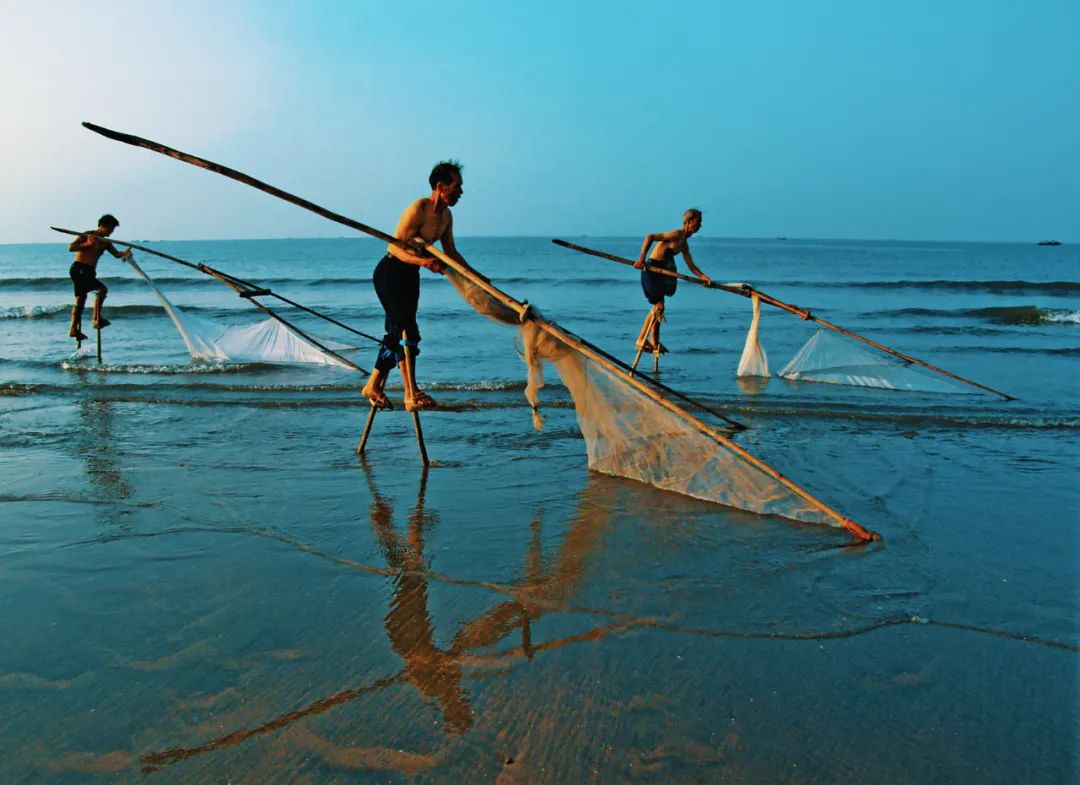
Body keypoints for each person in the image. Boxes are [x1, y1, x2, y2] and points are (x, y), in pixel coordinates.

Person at [361, 161, 473, 411]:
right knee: (405, 330)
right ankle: (410, 393)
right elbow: (395, 247)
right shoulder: (418, 210)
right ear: (440, 186)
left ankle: (373, 385)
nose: (461, 192)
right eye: (457, 186)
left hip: (411, 275)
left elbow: (451, 252)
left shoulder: (446, 216)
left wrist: (475, 276)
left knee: (397, 333)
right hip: (390, 272)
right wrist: (424, 261)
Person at [633, 208, 711, 354]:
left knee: (660, 308)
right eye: (698, 222)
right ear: (688, 222)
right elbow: (650, 236)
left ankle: (654, 341)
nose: (700, 225)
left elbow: (691, 265)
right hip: (652, 270)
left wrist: (703, 277)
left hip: (661, 274)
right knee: (659, 306)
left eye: (700, 223)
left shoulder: (684, 244)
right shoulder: (677, 234)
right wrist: (642, 258)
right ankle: (641, 339)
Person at [67, 214, 132, 340]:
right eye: (110, 229)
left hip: (90, 271)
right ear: (102, 226)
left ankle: (78, 327)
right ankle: (94, 320)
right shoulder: (87, 235)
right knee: (99, 291)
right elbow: (71, 248)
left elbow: (116, 254)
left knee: (82, 300)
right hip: (79, 268)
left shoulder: (105, 242)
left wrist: (125, 253)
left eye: (113, 230)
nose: (111, 232)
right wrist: (87, 243)